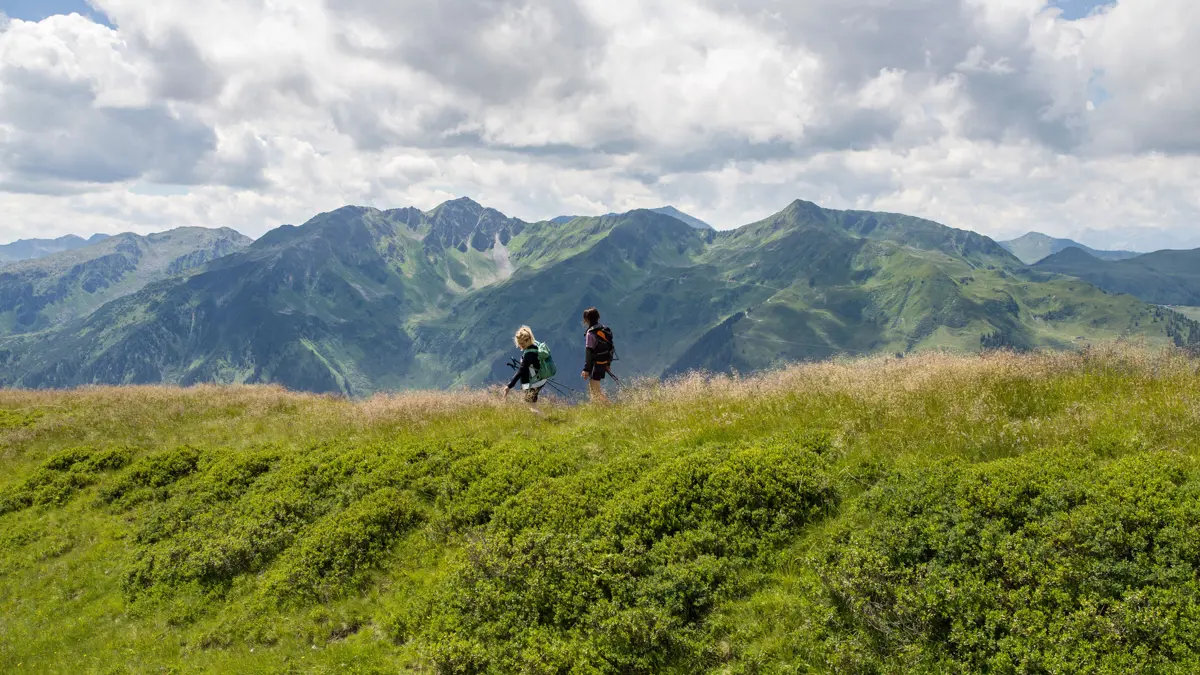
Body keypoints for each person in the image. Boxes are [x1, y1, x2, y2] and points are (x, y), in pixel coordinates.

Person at [504, 325, 545, 413]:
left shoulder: (529, 354)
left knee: (531, 405)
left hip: (535, 382)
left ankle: (545, 421)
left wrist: (509, 386)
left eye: (522, 343)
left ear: (528, 340)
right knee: (531, 403)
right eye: (519, 344)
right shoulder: (535, 346)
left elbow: (521, 370)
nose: (520, 346)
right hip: (538, 380)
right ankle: (542, 421)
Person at [580, 307, 611, 404]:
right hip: (604, 361)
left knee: (594, 388)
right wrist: (608, 363)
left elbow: (589, 352)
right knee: (594, 386)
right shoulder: (605, 329)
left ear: (587, 319)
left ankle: (607, 407)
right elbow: (611, 348)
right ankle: (598, 406)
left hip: (596, 364)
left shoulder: (590, 333)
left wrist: (586, 369)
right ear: (598, 317)